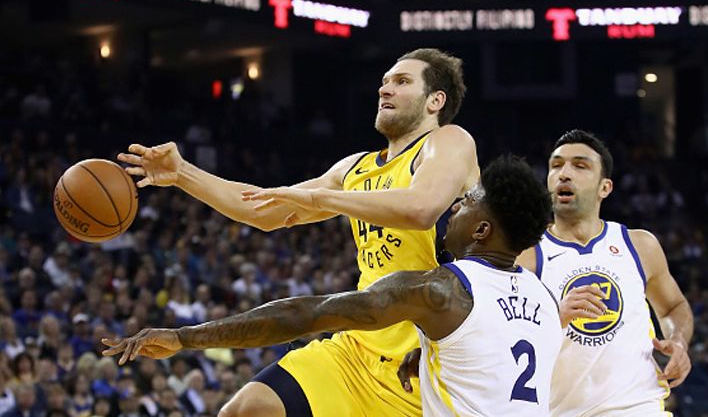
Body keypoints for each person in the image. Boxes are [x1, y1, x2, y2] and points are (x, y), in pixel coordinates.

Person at [117, 48, 480, 416]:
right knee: (247, 409)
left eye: (402, 82)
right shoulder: (354, 168)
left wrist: (322, 198)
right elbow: (262, 211)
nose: (385, 90)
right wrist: (183, 174)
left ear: (436, 100)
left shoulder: (449, 141)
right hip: (356, 351)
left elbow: (421, 208)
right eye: (384, 82)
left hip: (426, 366)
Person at [102, 155, 562, 416]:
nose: (454, 210)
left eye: (464, 205)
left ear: (482, 231)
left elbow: (307, 314)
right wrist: (423, 353)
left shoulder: (443, 289)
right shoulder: (542, 298)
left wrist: (184, 337)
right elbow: (499, 361)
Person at [516, 130, 694, 416]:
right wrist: (554, 318)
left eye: (580, 165)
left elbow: (673, 306)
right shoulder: (524, 255)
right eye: (556, 165)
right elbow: (500, 338)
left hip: (639, 406)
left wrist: (678, 340)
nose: (564, 173)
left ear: (605, 188)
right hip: (561, 409)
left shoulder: (639, 245)